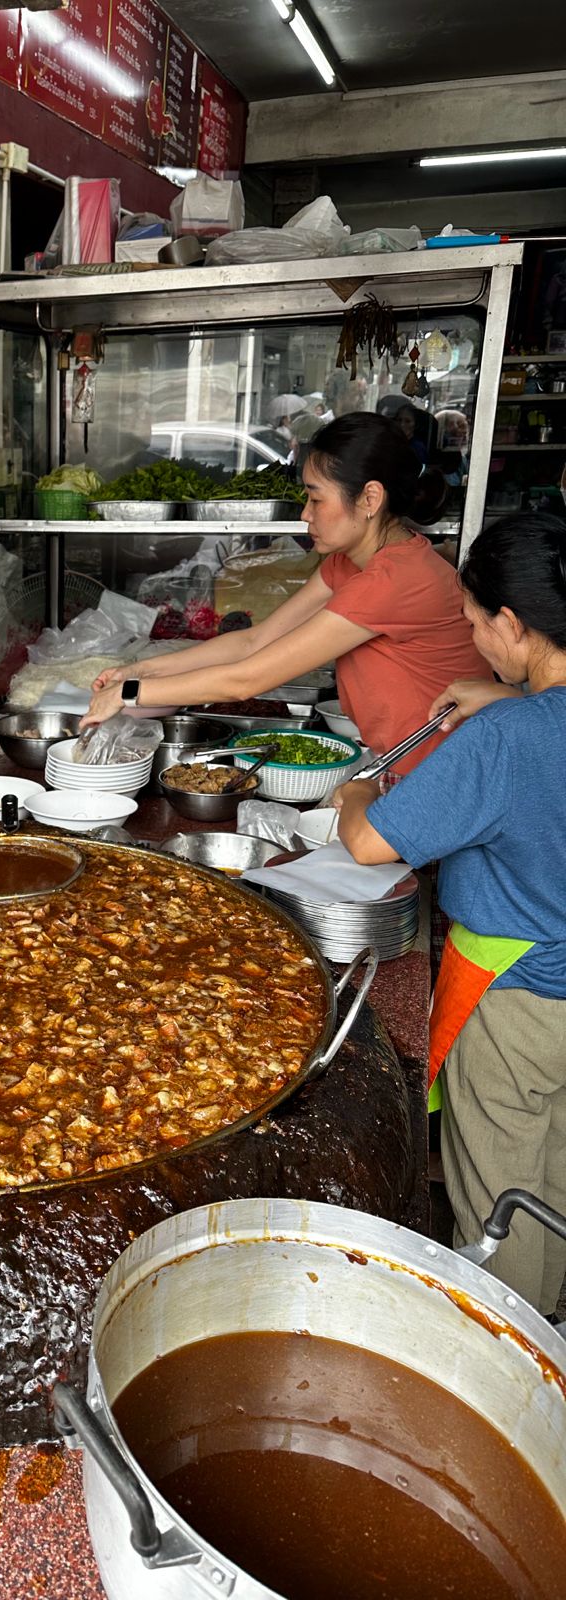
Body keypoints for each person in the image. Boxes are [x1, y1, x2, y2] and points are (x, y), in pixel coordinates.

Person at [332, 513, 566, 1315]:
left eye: (475, 624)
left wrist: (357, 786)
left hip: (520, 998)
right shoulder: (517, 716)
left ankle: (515, 1351)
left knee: (504, 1195)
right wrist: (506, 691)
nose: (472, 642)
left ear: (512, 623)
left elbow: (369, 844)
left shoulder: (507, 739)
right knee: (562, 1176)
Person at [85, 413, 490, 772]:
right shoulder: (349, 561)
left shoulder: (394, 578)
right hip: (407, 764)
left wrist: (129, 695)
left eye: (315, 498)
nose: (305, 514)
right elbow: (253, 642)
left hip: (446, 771)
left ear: (370, 497)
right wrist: (139, 671)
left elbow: (247, 679)